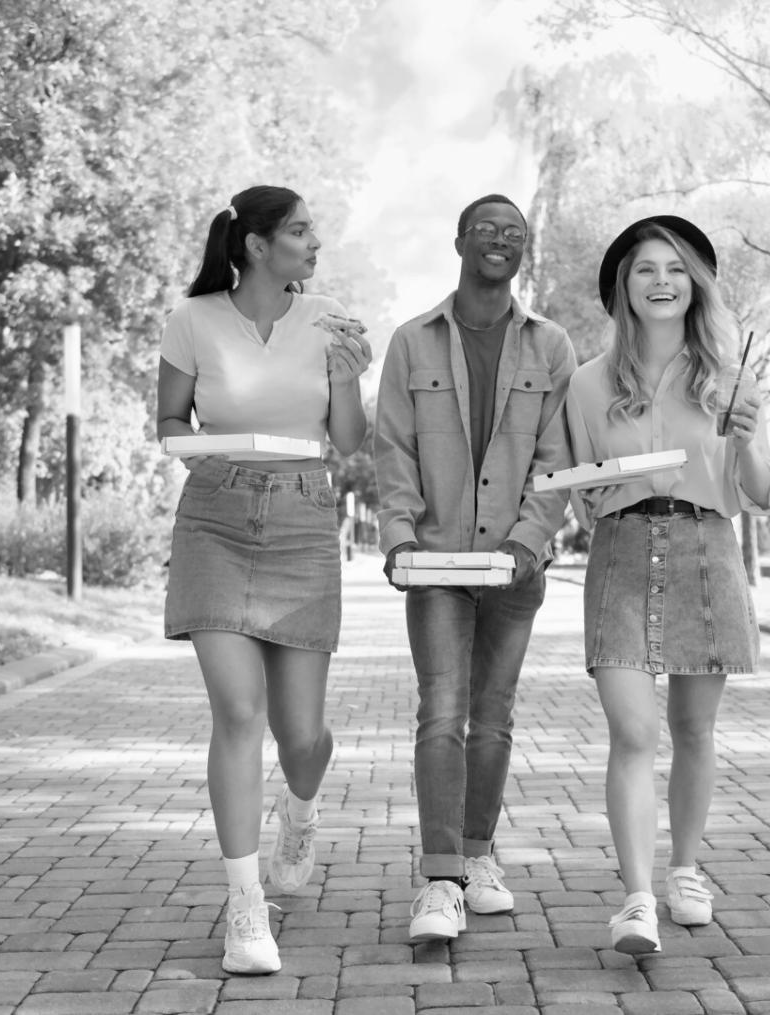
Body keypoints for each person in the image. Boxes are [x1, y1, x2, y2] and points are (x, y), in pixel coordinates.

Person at [156, 185, 373, 975]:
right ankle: (245, 906)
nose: (315, 244)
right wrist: (205, 447)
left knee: (301, 734)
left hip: (303, 519)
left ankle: (302, 808)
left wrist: (348, 378)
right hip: (214, 514)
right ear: (254, 245)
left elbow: (350, 443)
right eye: (300, 232)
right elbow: (170, 422)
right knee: (238, 713)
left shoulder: (330, 319)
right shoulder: (194, 320)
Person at [563, 215, 770, 955]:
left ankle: (685, 869)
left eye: (676, 268)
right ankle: (635, 897)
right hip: (622, 550)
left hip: (705, 547)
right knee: (632, 730)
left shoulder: (730, 377)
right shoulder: (589, 384)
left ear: (696, 284)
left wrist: (746, 436)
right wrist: (604, 487)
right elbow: (576, 487)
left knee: (692, 728)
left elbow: (766, 491)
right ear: (623, 286)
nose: (661, 280)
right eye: (645, 268)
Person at [374, 194, 577, 943]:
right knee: (442, 711)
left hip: (514, 566)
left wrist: (529, 539)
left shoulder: (550, 345)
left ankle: (479, 856)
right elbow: (391, 447)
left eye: (515, 233)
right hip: (435, 563)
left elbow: (558, 457)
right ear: (459, 240)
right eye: (487, 229)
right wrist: (398, 536)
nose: (501, 240)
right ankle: (438, 878)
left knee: (493, 715)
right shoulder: (411, 341)